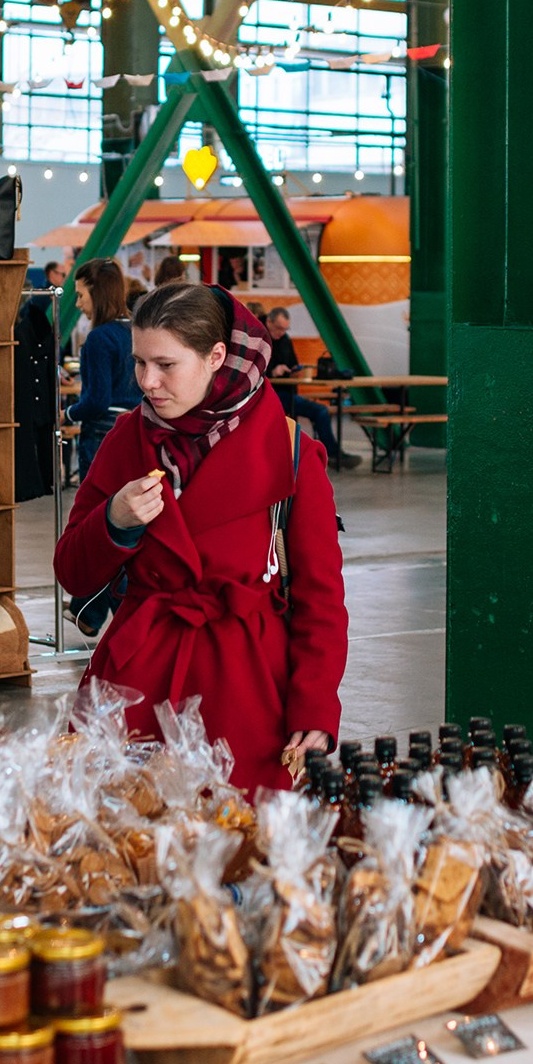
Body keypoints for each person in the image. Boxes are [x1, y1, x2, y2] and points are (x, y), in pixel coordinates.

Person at [53, 282, 348, 792]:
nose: (147, 382)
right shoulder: (128, 439)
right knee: (109, 847)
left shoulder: (290, 450)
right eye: (140, 362)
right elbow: (71, 571)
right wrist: (114, 521)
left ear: (216, 356)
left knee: (236, 849)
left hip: (246, 693)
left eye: (166, 365)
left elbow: (320, 597)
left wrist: (316, 706)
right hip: (135, 683)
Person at [66, 257, 142, 477]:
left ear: (97, 293)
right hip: (136, 427)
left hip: (102, 430)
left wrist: (67, 413)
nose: (78, 304)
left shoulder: (99, 338)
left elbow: (97, 400)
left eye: (81, 295)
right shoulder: (135, 330)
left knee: (95, 504)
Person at [264, 307, 361, 470]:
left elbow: (292, 362)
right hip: (269, 395)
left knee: (321, 411)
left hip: (287, 391)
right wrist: (272, 370)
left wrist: (295, 370)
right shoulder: (259, 339)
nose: (281, 333)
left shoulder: (285, 340)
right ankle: (331, 454)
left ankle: (332, 454)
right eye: (279, 328)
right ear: (268, 322)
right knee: (317, 411)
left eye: (285, 329)